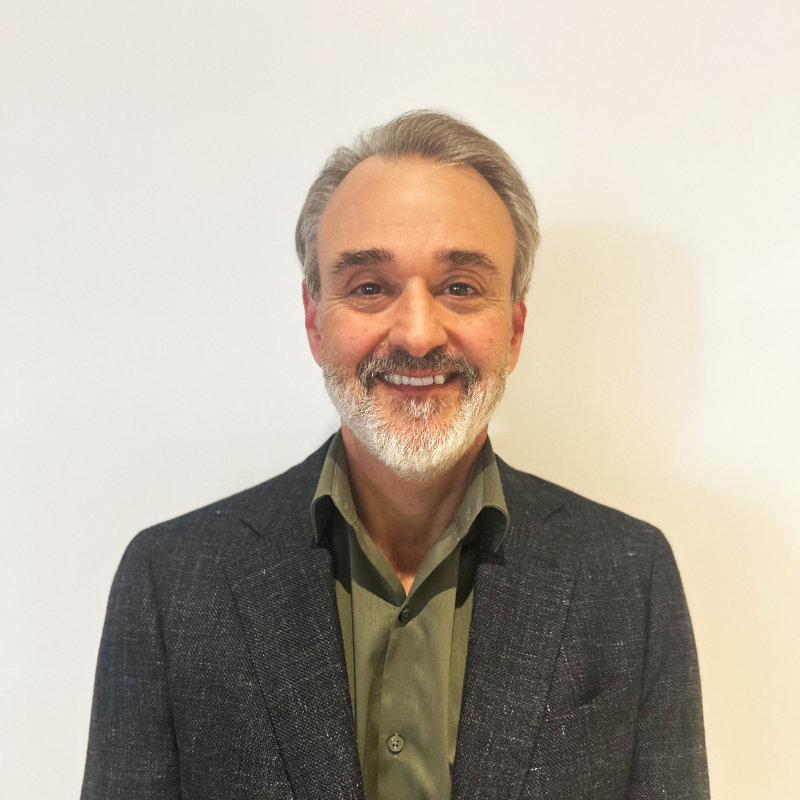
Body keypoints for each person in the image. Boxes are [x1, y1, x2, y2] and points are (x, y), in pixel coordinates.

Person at [81, 111, 709, 800]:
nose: (416, 333)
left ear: (514, 330)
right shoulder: (173, 582)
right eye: (370, 287)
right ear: (315, 320)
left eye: (461, 287)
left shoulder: (626, 577)